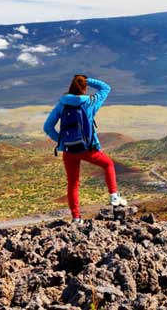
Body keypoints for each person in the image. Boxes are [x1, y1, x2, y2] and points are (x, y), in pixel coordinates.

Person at [43, 74, 127, 223]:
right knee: (108, 164)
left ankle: (76, 218)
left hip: (69, 150)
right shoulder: (90, 102)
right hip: (87, 148)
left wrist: (62, 142)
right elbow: (106, 87)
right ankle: (114, 196)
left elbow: (47, 127)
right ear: (84, 87)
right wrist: (88, 80)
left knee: (73, 184)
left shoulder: (62, 104)